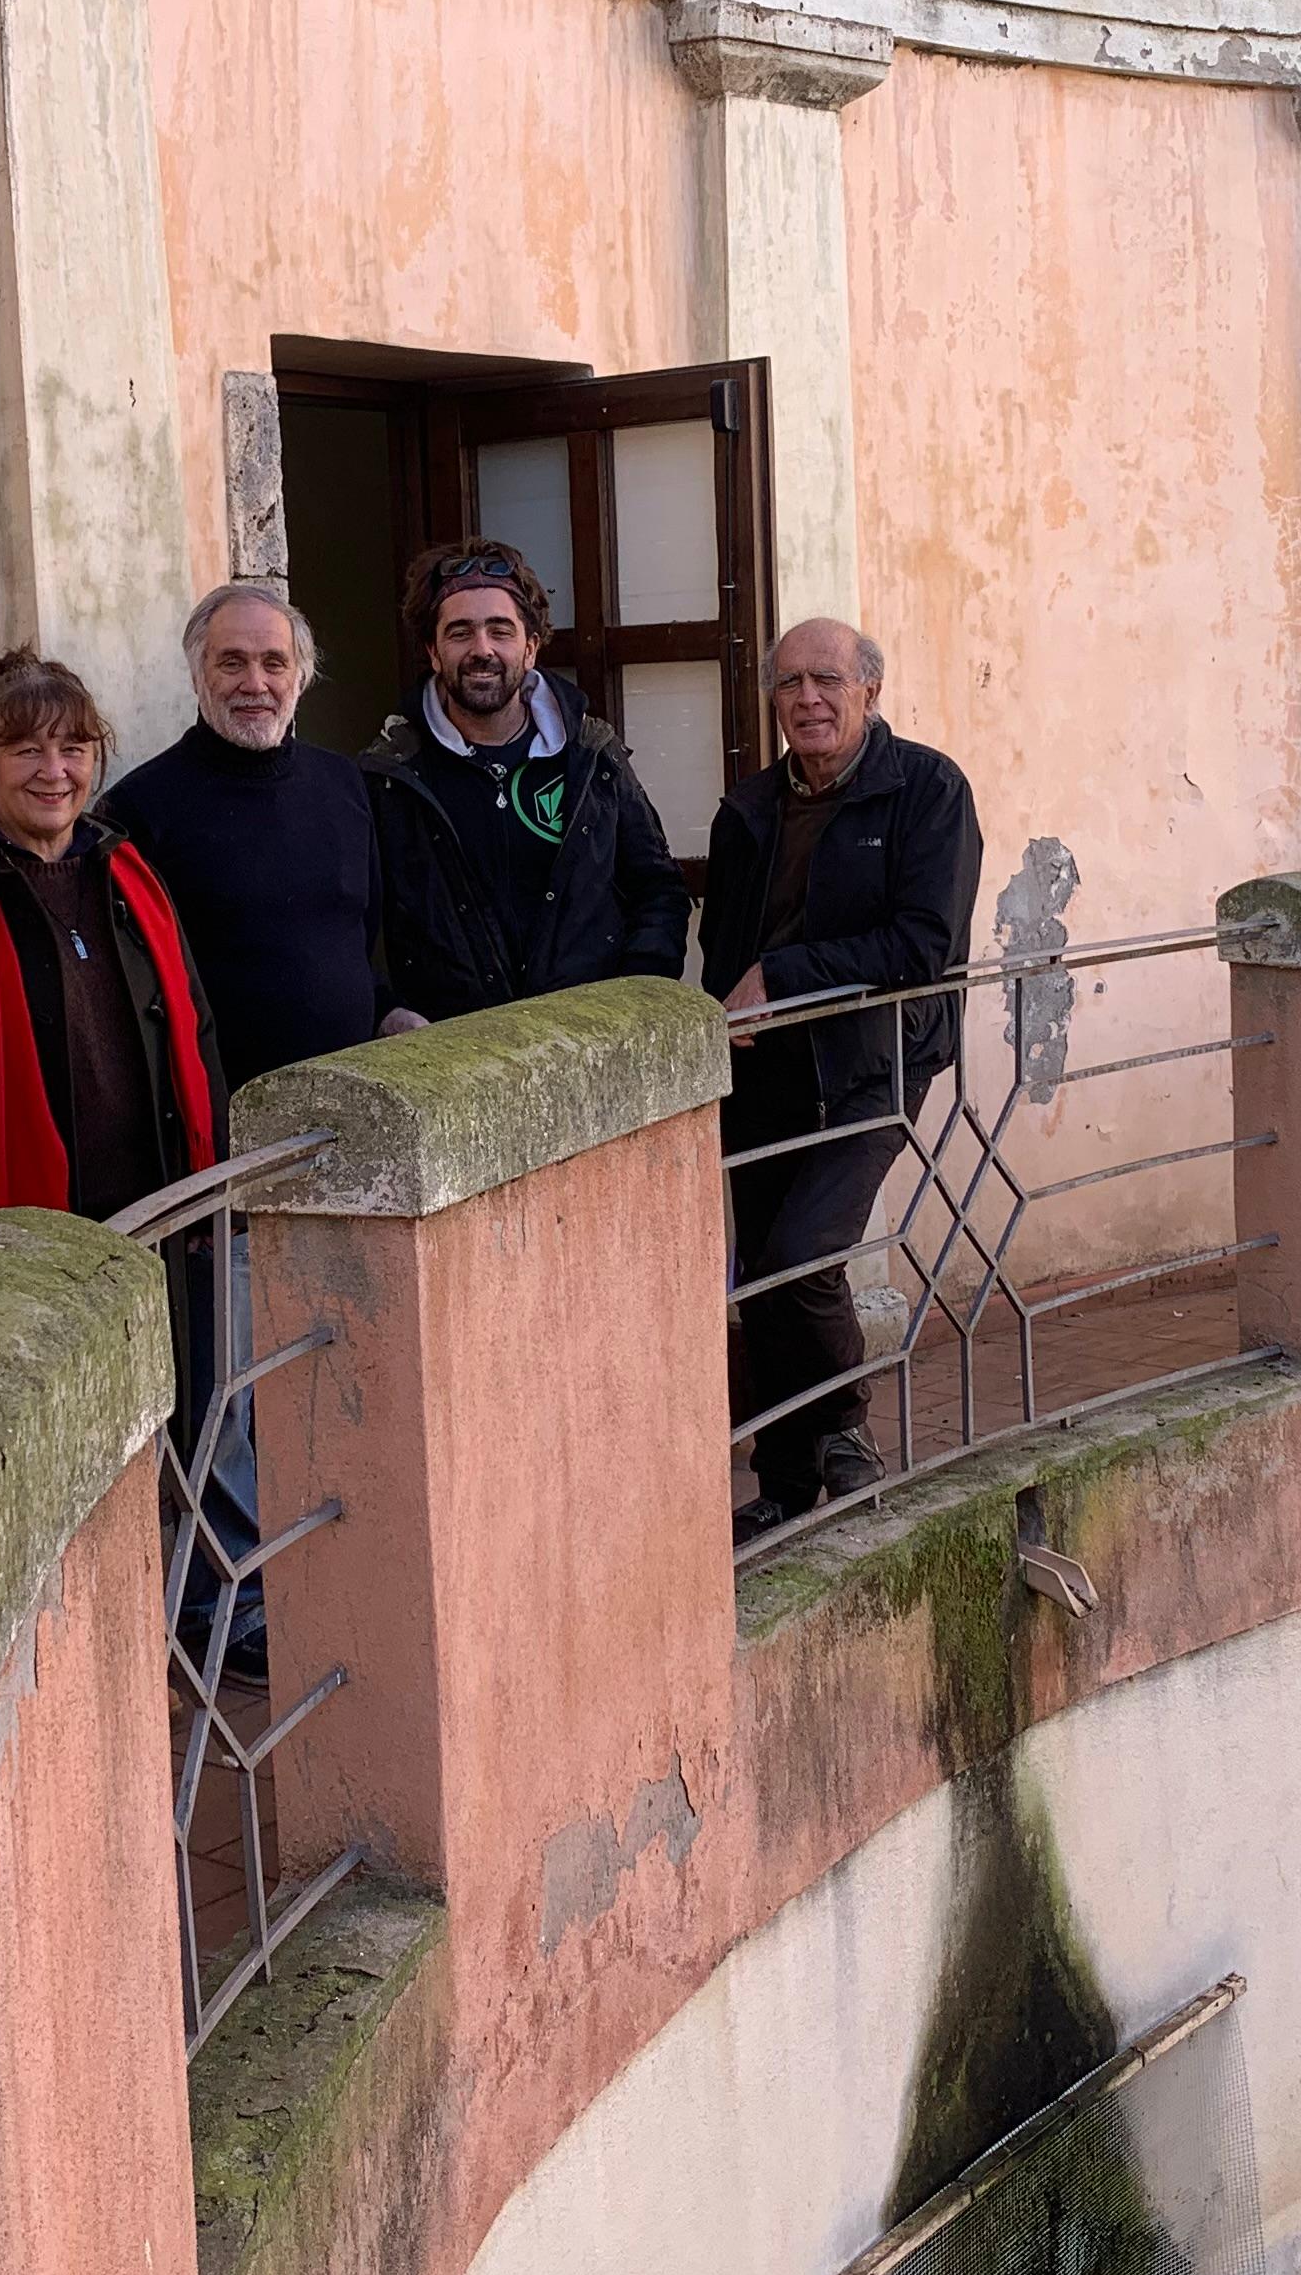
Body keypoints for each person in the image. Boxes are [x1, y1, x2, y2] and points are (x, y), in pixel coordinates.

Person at [700, 618, 984, 1538]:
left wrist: (786, 976)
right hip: (765, 1075)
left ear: (870, 691)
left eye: (827, 681)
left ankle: (848, 1433)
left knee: (801, 1258)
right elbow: (726, 951)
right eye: (789, 684)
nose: (807, 701)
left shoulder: (928, 790)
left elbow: (923, 944)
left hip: (875, 1063)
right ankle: (787, 1478)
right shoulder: (747, 809)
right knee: (763, 1275)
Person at [0, 647, 224, 1250]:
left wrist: (210, 1193)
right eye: (28, 749)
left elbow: (197, 1031)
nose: (54, 771)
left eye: (73, 749)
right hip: (5, 1244)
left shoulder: (132, 878)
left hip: (157, 1222)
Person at [103, 582, 423, 1080]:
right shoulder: (138, 809)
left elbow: (353, 939)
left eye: (274, 663)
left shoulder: (345, 784)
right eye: (232, 662)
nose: (255, 683)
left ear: (301, 677)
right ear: (196, 675)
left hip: (353, 1097)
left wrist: (387, 1011)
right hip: (223, 1114)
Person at [362, 541, 690, 1019]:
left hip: (589, 1048)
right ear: (433, 651)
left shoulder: (592, 758)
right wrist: (384, 1009)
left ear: (531, 648)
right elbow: (345, 922)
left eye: (501, 631)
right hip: (451, 1063)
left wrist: (634, 1001)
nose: (482, 650)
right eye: (460, 633)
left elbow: (659, 889)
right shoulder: (390, 777)